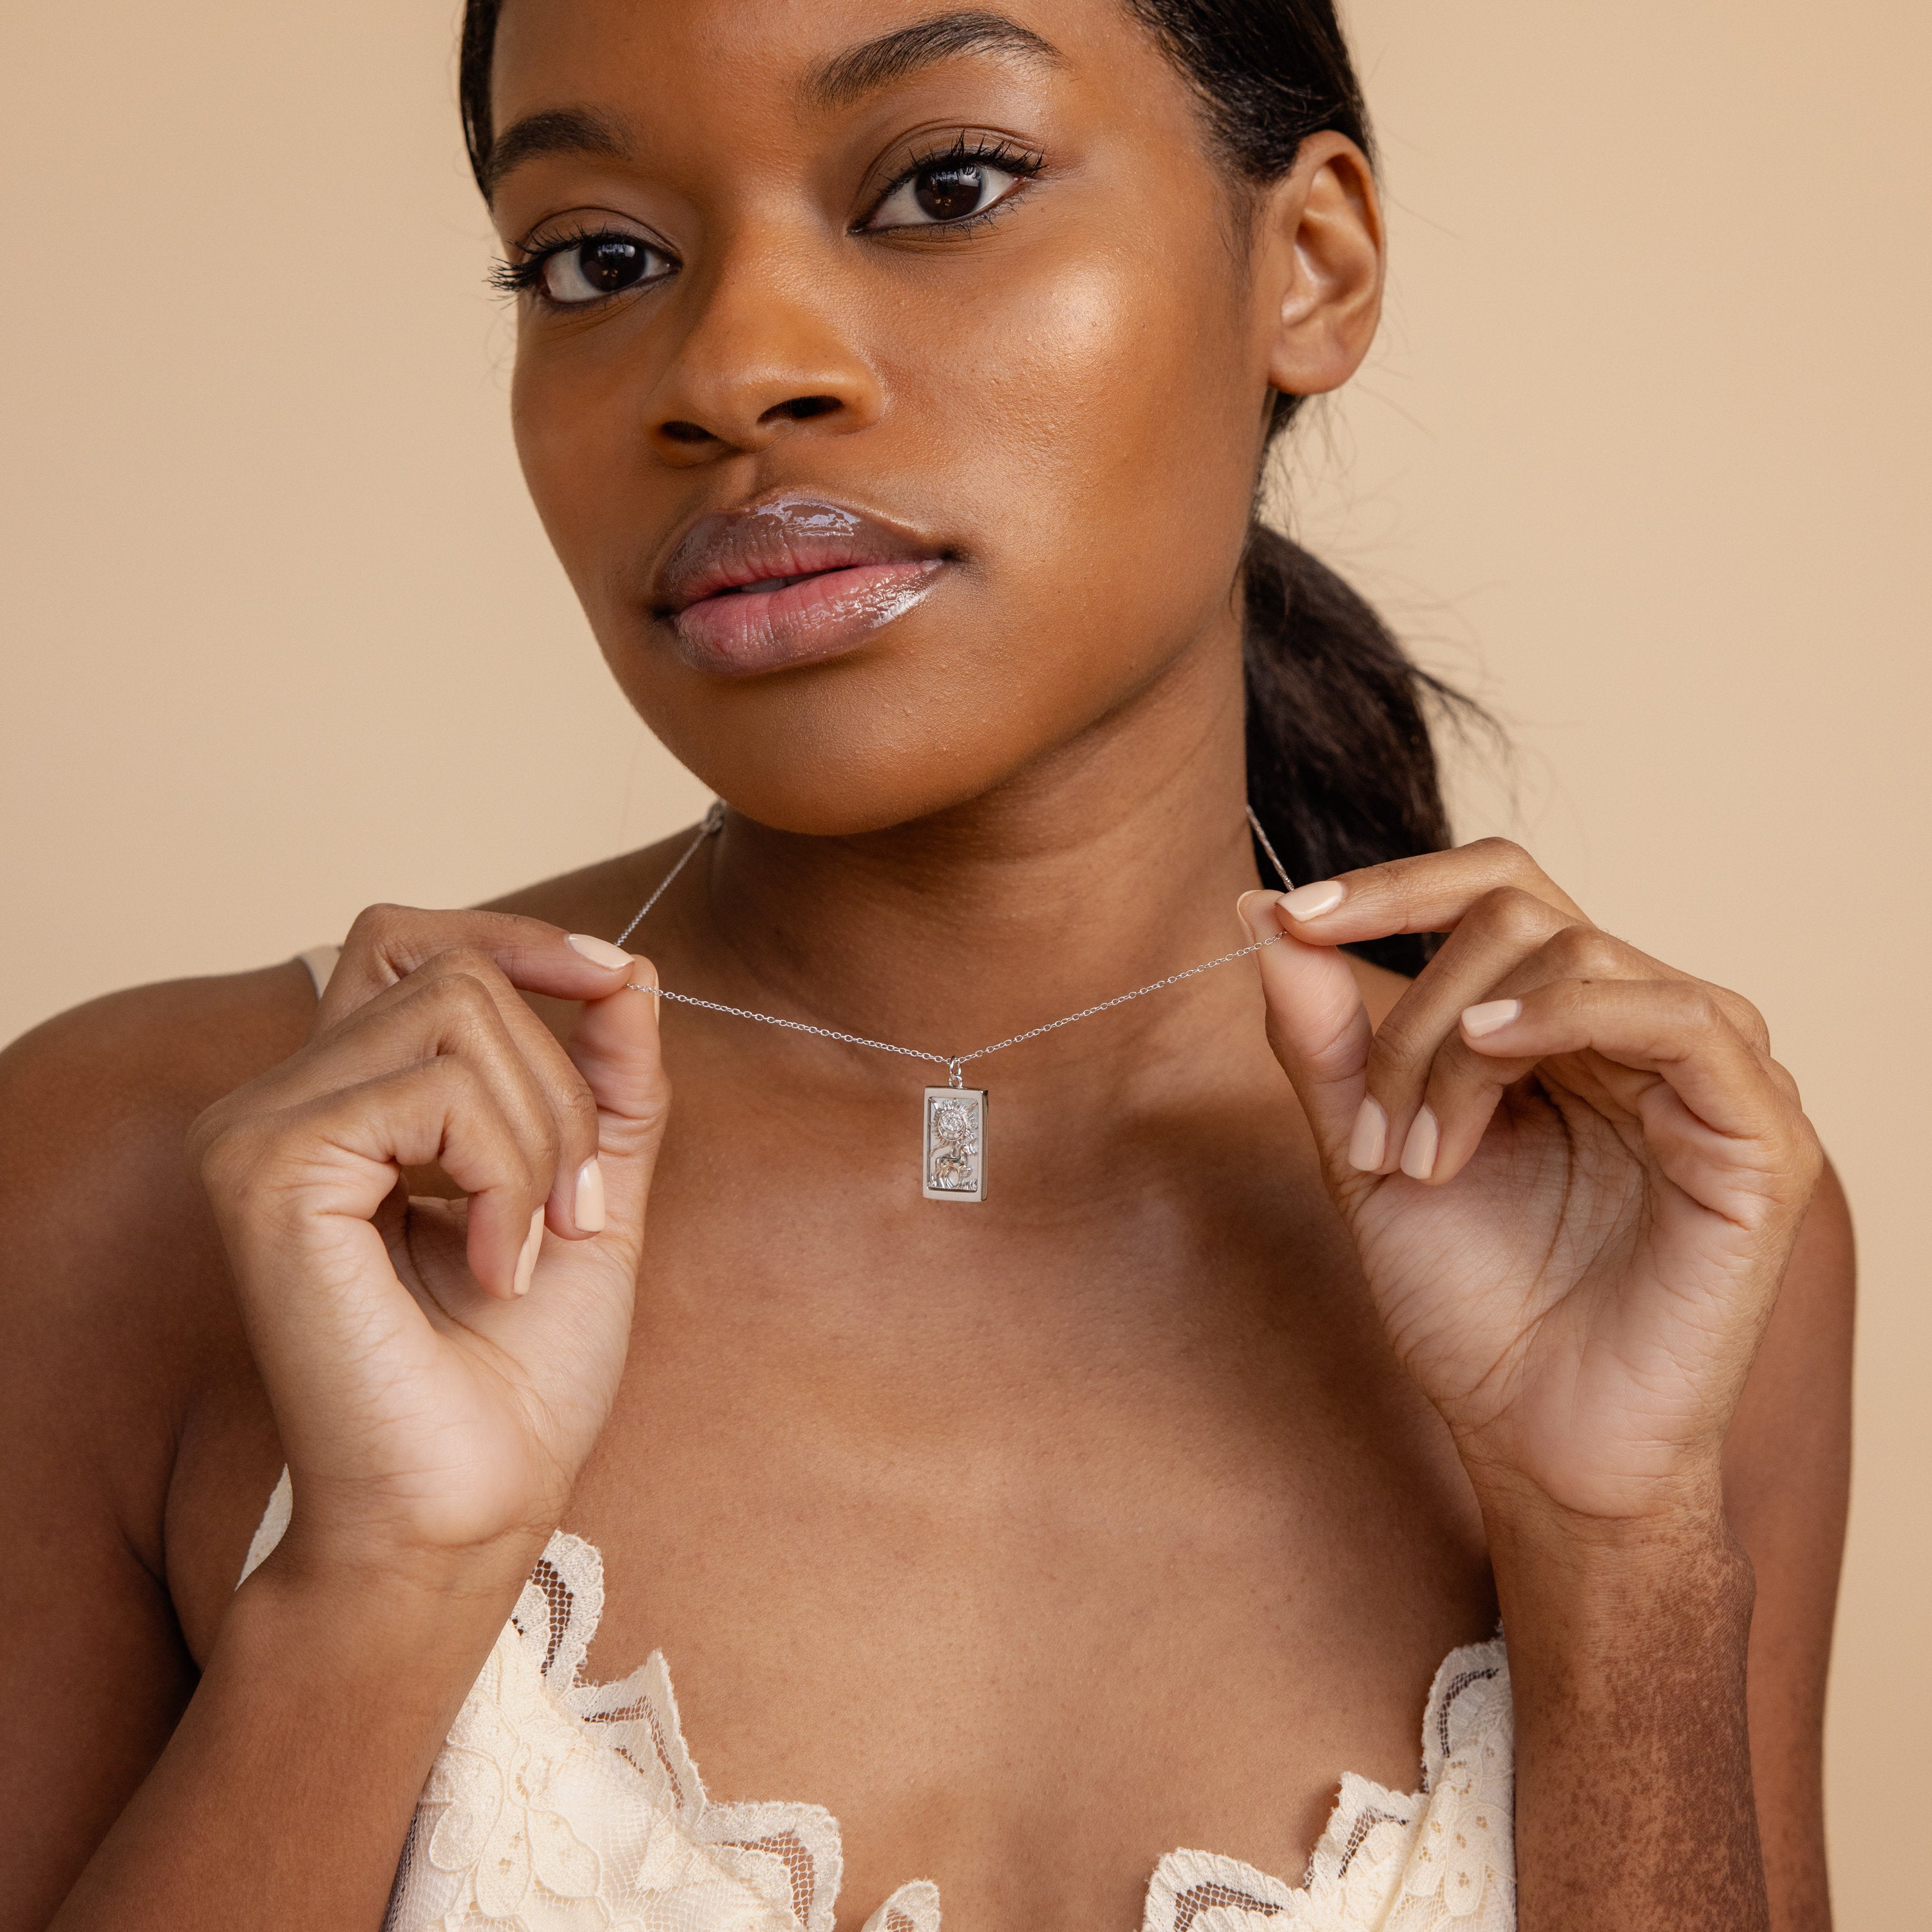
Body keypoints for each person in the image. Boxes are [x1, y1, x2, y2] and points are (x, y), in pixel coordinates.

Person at [0, 3, 1852, 1928]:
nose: (732, 369)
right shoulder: (162, 1181)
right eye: (599, 258)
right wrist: (376, 1583)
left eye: (943, 186)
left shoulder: (1646, 1224)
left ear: (1308, 267)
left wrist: (1617, 1549)